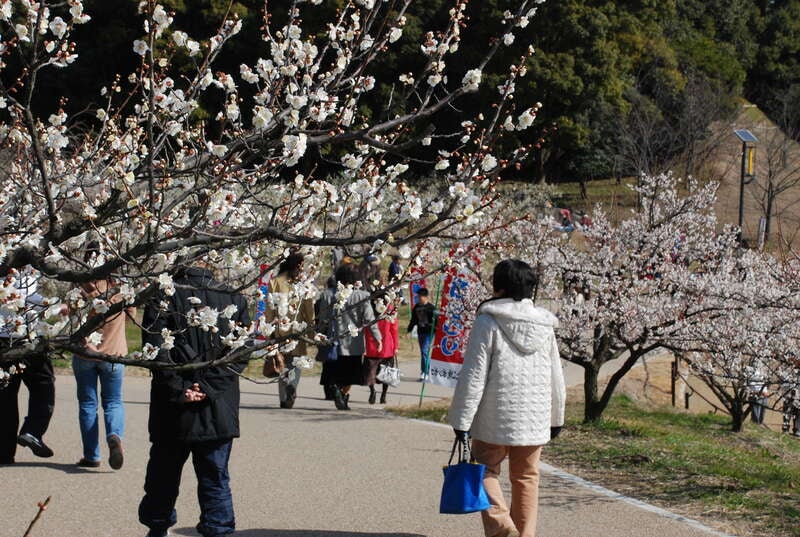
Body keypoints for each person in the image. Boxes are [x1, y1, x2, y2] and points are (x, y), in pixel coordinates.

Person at [448, 259, 566, 537]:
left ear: (497, 285)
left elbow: (473, 375)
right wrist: (556, 417)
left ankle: (502, 528)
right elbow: (555, 376)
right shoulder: (545, 325)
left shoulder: (488, 321)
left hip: (494, 416)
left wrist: (461, 420)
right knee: (527, 478)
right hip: (535, 419)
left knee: (483, 470)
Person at [138, 266, 250, 537]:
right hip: (217, 406)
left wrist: (182, 389)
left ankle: (157, 527)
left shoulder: (163, 297)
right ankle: (218, 530)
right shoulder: (234, 298)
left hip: (173, 407)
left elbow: (154, 351)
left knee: (162, 477)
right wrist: (209, 387)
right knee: (215, 479)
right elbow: (240, 353)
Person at [73, 277, 134, 468]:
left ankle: (91, 456)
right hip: (113, 355)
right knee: (113, 401)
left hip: (85, 354)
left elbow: (72, 321)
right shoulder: (121, 287)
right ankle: (114, 435)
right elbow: (132, 317)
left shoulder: (79, 287)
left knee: (88, 404)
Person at [0, 266, 57, 464]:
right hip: (27, 337)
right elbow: (28, 296)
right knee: (43, 385)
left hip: (3, 339)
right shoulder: (24, 265)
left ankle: (4, 452)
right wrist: (51, 304)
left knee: (5, 397)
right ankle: (33, 431)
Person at [316, 263, 381, 410]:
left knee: (333, 372)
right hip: (354, 345)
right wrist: (378, 338)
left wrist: (319, 336)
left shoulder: (327, 295)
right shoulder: (362, 296)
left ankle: (338, 392)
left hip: (333, 343)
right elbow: (370, 319)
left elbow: (322, 320)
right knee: (350, 375)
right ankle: (342, 394)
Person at [264, 253, 315, 409]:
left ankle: (284, 396)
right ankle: (291, 387)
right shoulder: (303, 284)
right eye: (300, 266)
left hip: (279, 331)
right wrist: (312, 332)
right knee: (296, 363)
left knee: (281, 363)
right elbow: (309, 310)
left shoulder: (275, 282)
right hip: (296, 330)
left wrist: (269, 331)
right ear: (296, 266)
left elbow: (270, 310)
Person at [363, 294, 399, 405]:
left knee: (370, 372)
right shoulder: (389, 310)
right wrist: (396, 346)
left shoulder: (368, 310)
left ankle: (372, 391)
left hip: (371, 345)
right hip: (386, 346)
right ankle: (383, 395)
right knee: (386, 373)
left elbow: (364, 328)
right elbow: (394, 329)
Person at [407, 287, 436, 380]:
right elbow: (413, 320)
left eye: (420, 296)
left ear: (425, 297)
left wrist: (434, 327)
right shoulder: (416, 307)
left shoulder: (431, 308)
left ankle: (425, 372)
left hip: (429, 333)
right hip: (421, 332)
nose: (419, 298)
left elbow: (437, 321)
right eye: (418, 296)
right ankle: (424, 371)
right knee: (424, 353)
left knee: (424, 351)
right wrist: (409, 330)